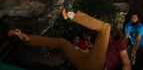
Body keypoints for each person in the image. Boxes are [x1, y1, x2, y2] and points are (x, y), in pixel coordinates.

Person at [1, 8, 131, 70]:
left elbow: (127, 66)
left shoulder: (119, 45)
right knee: (62, 43)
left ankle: (71, 14)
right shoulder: (102, 50)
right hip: (85, 63)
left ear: (113, 37)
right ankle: (26, 38)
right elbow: (90, 55)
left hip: (99, 67)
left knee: (105, 27)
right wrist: (77, 48)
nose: (103, 39)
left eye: (108, 38)